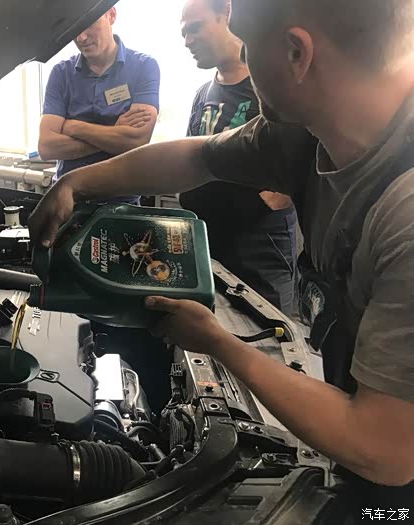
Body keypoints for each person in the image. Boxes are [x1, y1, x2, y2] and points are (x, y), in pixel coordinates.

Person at [30, 0, 414, 517]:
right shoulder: (305, 136)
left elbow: (385, 450)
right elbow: (198, 156)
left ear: (296, 53)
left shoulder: (406, 217)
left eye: (250, 46)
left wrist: (217, 342)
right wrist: (76, 183)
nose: (244, 61)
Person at [180, 0, 298, 313]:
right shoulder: (203, 94)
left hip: (258, 251)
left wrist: (270, 199)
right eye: (184, 34)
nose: (188, 41)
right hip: (208, 246)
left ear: (228, 15)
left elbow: (301, 156)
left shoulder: (270, 88)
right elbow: (191, 158)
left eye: (195, 28)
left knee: (266, 331)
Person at [38, 7, 160, 205]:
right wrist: (115, 134)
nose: (81, 38)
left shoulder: (144, 67)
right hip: (68, 201)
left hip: (122, 204)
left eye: (88, 24)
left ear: (111, 15)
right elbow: (47, 147)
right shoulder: (61, 73)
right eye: (74, 30)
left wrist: (74, 127)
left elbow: (137, 140)